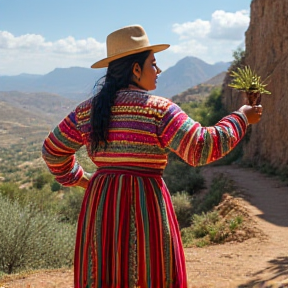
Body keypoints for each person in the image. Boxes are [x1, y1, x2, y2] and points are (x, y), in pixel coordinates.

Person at [42, 25, 263, 288]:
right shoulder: (158, 110)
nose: (158, 71)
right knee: (152, 270)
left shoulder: (87, 111)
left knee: (103, 271)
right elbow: (201, 147)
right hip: (146, 203)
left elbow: (52, 150)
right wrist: (241, 118)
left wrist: (83, 180)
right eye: (153, 64)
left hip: (100, 205)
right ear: (136, 69)